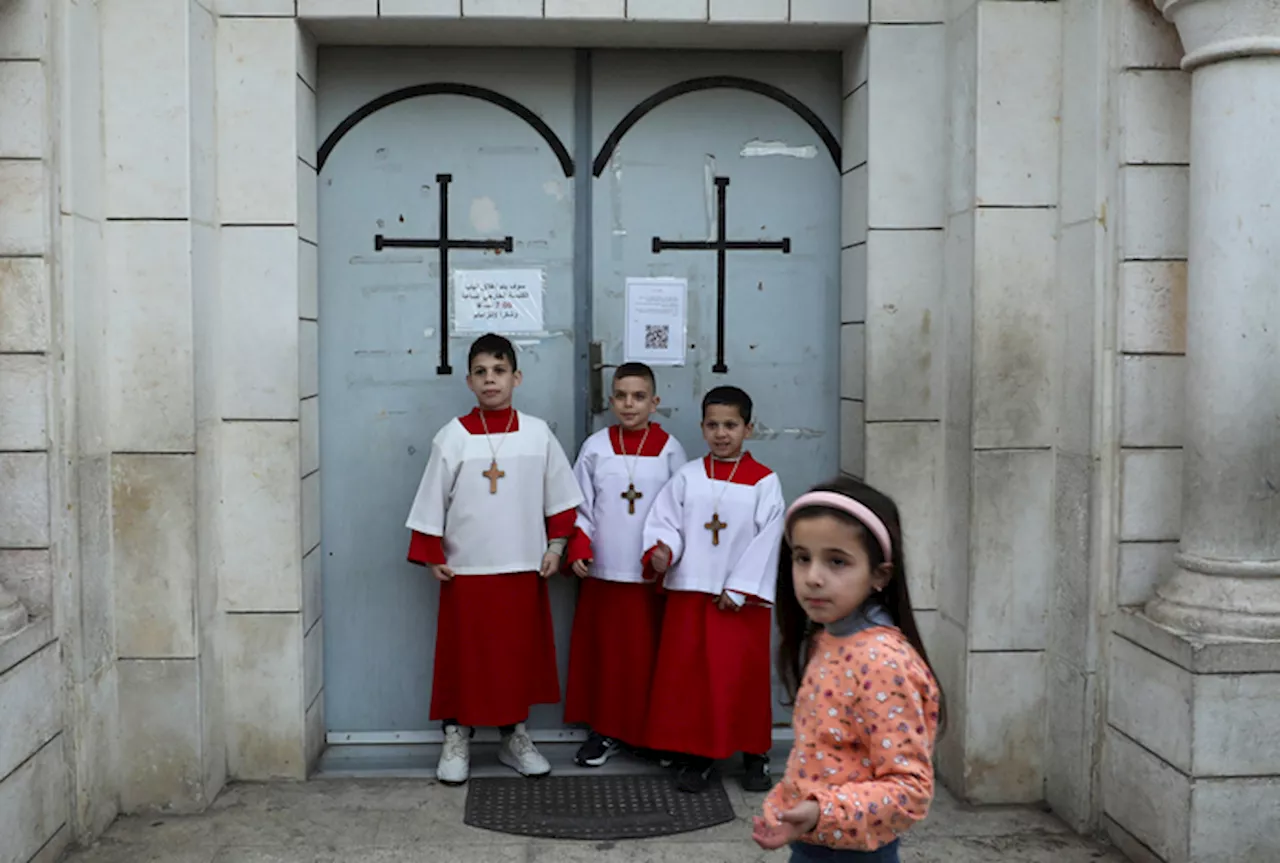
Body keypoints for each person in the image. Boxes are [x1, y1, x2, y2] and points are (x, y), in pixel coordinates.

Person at [405, 333, 583, 785]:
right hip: (466, 571)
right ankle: (456, 735)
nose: (491, 380)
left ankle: (513, 737)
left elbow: (560, 498)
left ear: (516, 377)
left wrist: (556, 547)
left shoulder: (537, 433)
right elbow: (430, 501)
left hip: (521, 566)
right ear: (469, 380)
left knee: (513, 661)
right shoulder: (454, 437)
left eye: (499, 371)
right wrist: (431, 555)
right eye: (481, 372)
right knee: (463, 659)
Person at [752, 476, 944, 862]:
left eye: (837, 561)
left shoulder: (883, 661)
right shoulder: (828, 637)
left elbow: (909, 788)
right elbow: (825, 748)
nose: (813, 577)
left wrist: (822, 811)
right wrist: (788, 803)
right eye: (802, 557)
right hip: (813, 842)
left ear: (879, 575)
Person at [641, 385, 786, 793]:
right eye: (712, 425)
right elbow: (667, 520)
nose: (721, 434)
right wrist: (664, 550)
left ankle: (754, 756)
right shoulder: (687, 476)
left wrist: (739, 588)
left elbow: (769, 537)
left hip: (741, 602)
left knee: (741, 679)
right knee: (694, 680)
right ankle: (698, 755)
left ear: (748, 428)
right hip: (692, 593)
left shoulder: (764, 481)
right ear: (702, 428)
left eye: (731, 425)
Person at [563, 362, 688, 767]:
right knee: (608, 659)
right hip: (603, 573)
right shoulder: (595, 447)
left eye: (638, 397)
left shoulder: (670, 449)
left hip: (648, 576)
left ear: (655, 402)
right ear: (611, 400)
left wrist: (667, 550)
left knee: (647, 658)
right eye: (621, 396)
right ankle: (604, 731)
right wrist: (579, 545)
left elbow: (679, 509)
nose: (628, 404)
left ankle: (651, 734)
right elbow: (580, 504)